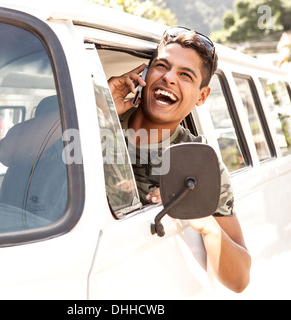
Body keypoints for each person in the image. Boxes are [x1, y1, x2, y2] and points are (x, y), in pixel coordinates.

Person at [108, 27, 251, 293]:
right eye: (161, 66)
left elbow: (240, 279)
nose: (169, 78)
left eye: (185, 75)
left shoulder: (200, 163)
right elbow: (10, 151)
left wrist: (205, 223)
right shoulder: (95, 118)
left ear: (202, 96)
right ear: (145, 75)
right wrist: (100, 109)